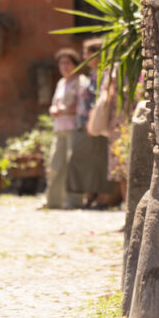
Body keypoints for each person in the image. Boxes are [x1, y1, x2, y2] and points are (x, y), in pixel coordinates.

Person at [66, 37, 112, 208]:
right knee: (88, 159)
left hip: (95, 123)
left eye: (87, 53)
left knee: (98, 160)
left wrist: (92, 120)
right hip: (86, 123)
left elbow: (100, 100)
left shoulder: (104, 73)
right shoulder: (93, 74)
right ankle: (91, 194)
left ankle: (101, 197)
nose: (84, 56)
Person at [45, 47, 88, 209]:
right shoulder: (61, 83)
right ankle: (53, 201)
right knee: (55, 164)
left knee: (72, 165)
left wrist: (63, 110)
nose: (64, 66)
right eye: (61, 63)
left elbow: (81, 106)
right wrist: (54, 110)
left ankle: (74, 200)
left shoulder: (81, 82)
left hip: (74, 127)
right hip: (59, 128)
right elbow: (54, 104)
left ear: (75, 64)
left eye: (67, 63)